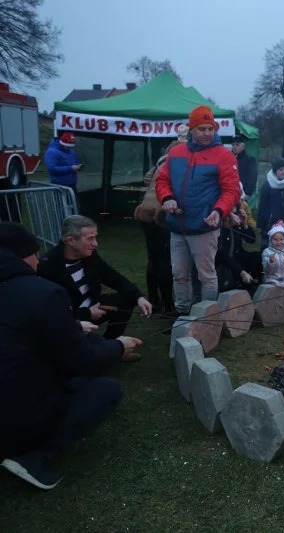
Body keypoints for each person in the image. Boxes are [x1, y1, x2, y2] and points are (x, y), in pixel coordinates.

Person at [0, 222, 143, 490]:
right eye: (34, 254)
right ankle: (36, 457)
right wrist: (118, 346)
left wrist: (76, 325)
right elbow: (80, 360)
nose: (37, 261)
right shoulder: (41, 290)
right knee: (105, 390)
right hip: (15, 417)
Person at [155, 105, 241, 316]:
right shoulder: (175, 153)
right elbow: (162, 180)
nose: (207, 133)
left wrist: (219, 211)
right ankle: (182, 314)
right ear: (191, 129)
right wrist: (167, 198)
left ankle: (207, 317)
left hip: (204, 226)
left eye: (210, 128)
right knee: (179, 274)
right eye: (201, 129)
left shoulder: (224, 155)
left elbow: (231, 190)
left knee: (206, 275)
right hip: (177, 226)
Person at [38, 215, 152, 338]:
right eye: (90, 239)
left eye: (95, 237)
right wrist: (86, 314)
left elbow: (111, 276)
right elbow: (52, 312)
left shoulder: (89, 256)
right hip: (71, 320)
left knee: (127, 298)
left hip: (93, 306)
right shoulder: (48, 266)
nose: (95, 244)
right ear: (71, 241)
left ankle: (112, 343)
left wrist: (138, 297)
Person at [134, 136, 184, 314]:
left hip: (145, 208)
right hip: (159, 212)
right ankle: (168, 305)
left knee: (153, 258)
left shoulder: (163, 157)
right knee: (165, 260)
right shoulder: (180, 158)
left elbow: (148, 178)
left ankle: (154, 299)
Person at [215, 203, 261, 293]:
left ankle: (253, 284)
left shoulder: (237, 226)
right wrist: (241, 272)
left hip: (237, 257)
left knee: (257, 256)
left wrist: (245, 224)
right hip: (223, 263)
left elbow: (251, 240)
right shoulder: (219, 229)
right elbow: (222, 254)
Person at [258, 156, 284, 247]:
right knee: (269, 246)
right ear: (275, 171)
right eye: (280, 169)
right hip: (271, 221)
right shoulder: (268, 185)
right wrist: (261, 224)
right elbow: (262, 205)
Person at [261, 221, 284, 294]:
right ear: (270, 239)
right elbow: (267, 271)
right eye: (275, 239)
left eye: (281, 239)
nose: (278, 242)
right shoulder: (267, 252)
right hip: (271, 282)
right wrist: (270, 262)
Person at [44, 132, 82, 197]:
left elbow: (75, 162)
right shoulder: (52, 152)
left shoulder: (71, 151)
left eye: (71, 147)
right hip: (60, 186)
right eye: (68, 147)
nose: (70, 148)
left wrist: (78, 166)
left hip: (72, 185)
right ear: (62, 144)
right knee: (61, 206)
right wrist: (71, 168)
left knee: (75, 205)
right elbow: (51, 168)